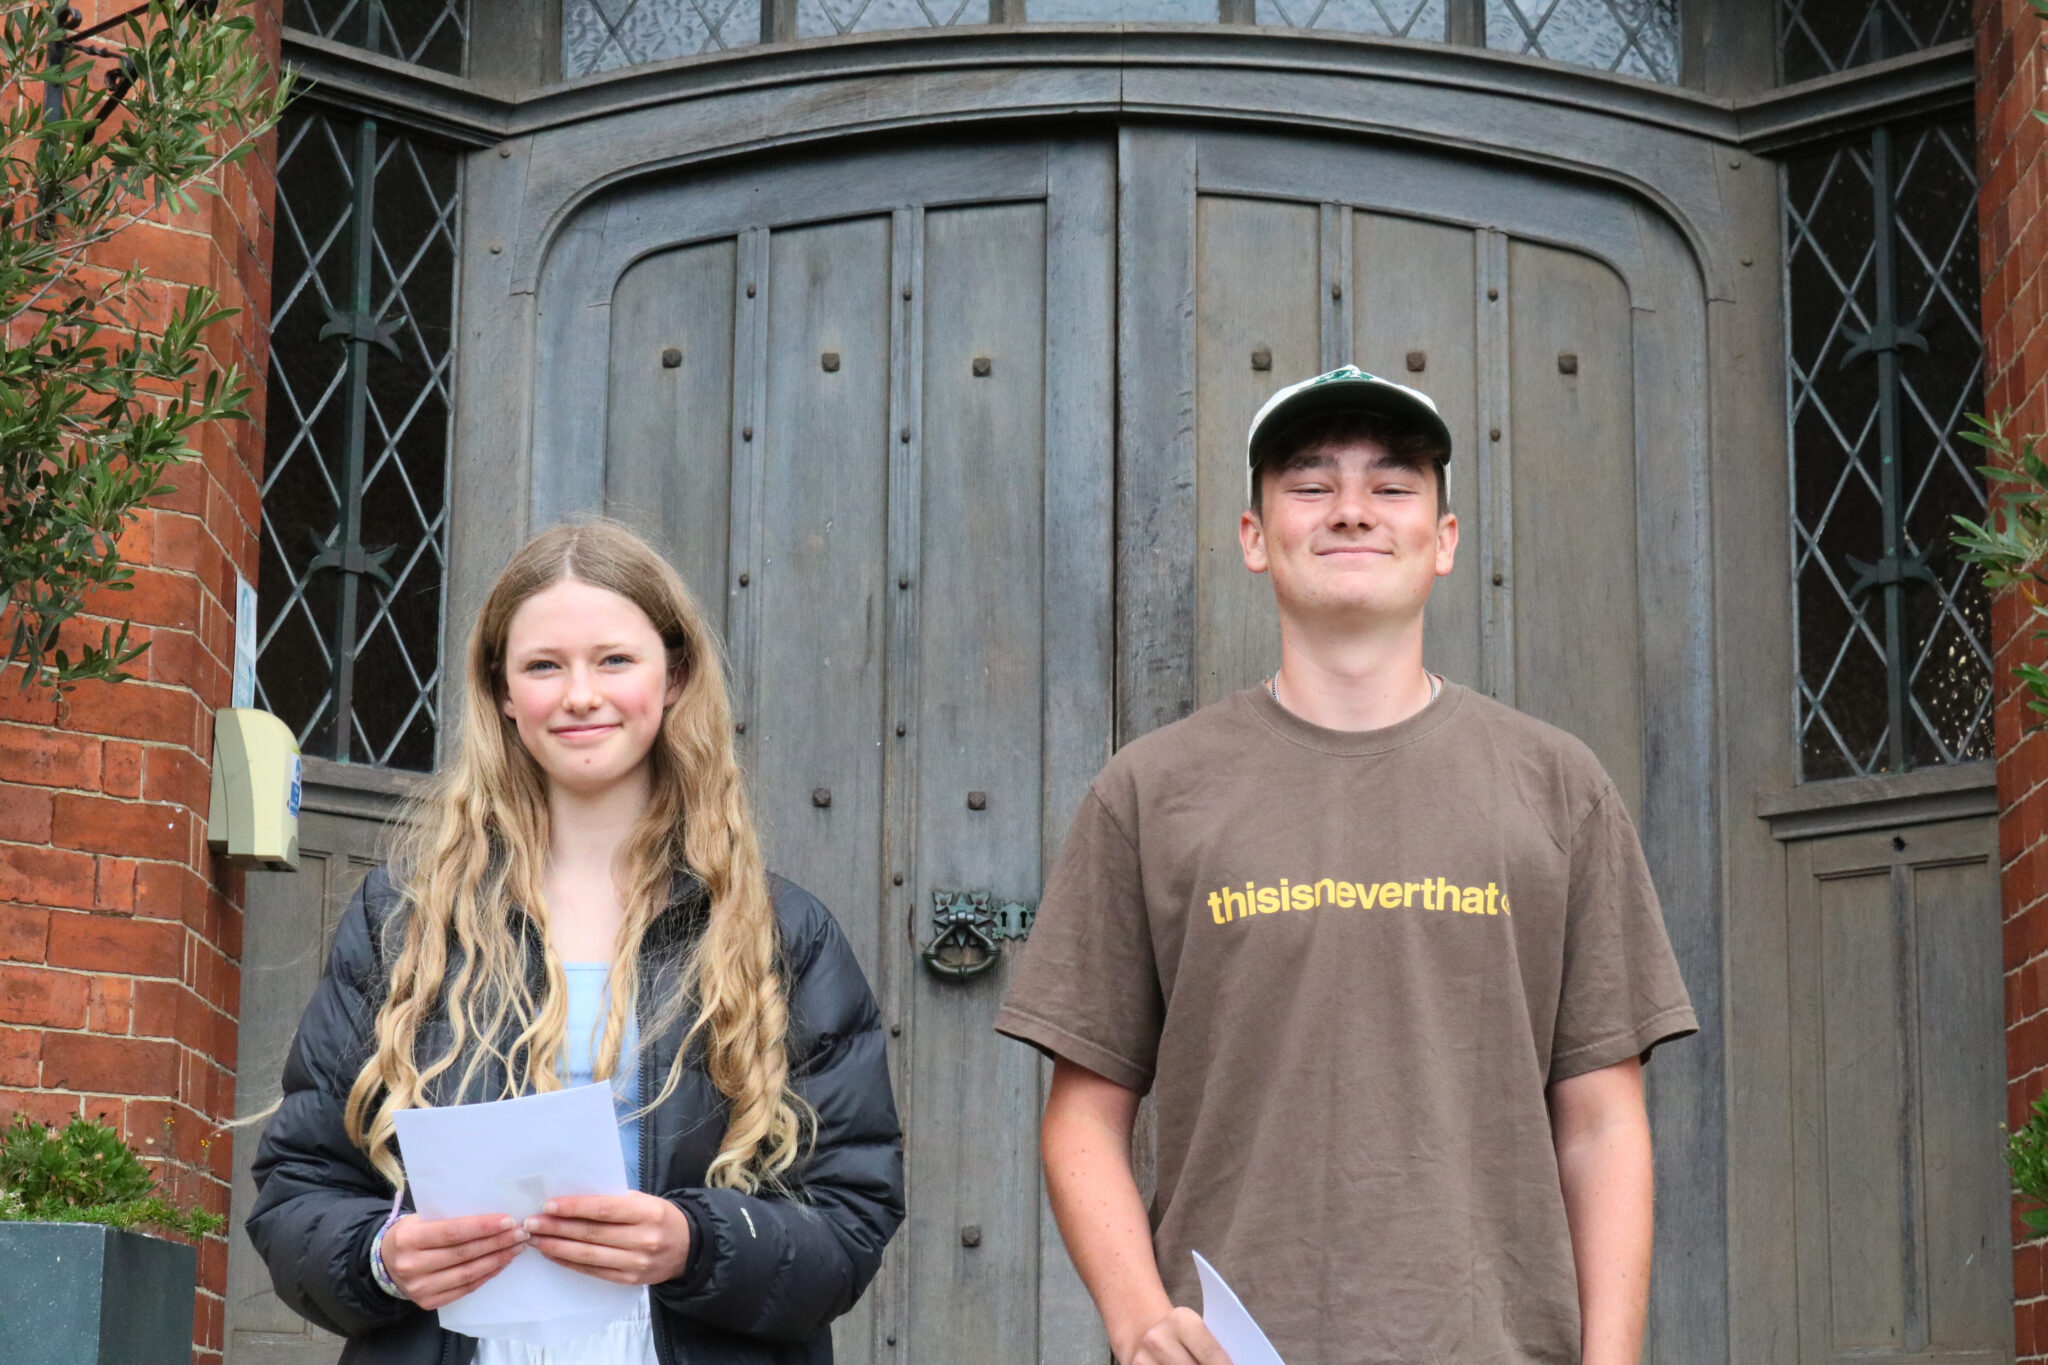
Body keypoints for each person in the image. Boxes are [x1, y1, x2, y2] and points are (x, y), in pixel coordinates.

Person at [995, 366, 1697, 1365]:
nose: (1352, 511)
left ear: (1442, 541)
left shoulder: (1556, 785)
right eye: (1311, 484)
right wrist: (1140, 1322)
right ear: (1254, 537)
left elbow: (1601, 1122)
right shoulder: (1150, 791)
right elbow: (1080, 1120)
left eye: (1393, 486)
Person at [246, 519, 904, 1365]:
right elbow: (299, 1188)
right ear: (504, 693)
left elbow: (851, 1217)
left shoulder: (778, 930)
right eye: (544, 665)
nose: (580, 694)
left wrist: (694, 1245)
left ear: (675, 676)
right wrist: (381, 1257)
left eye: (614, 660)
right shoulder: (407, 919)